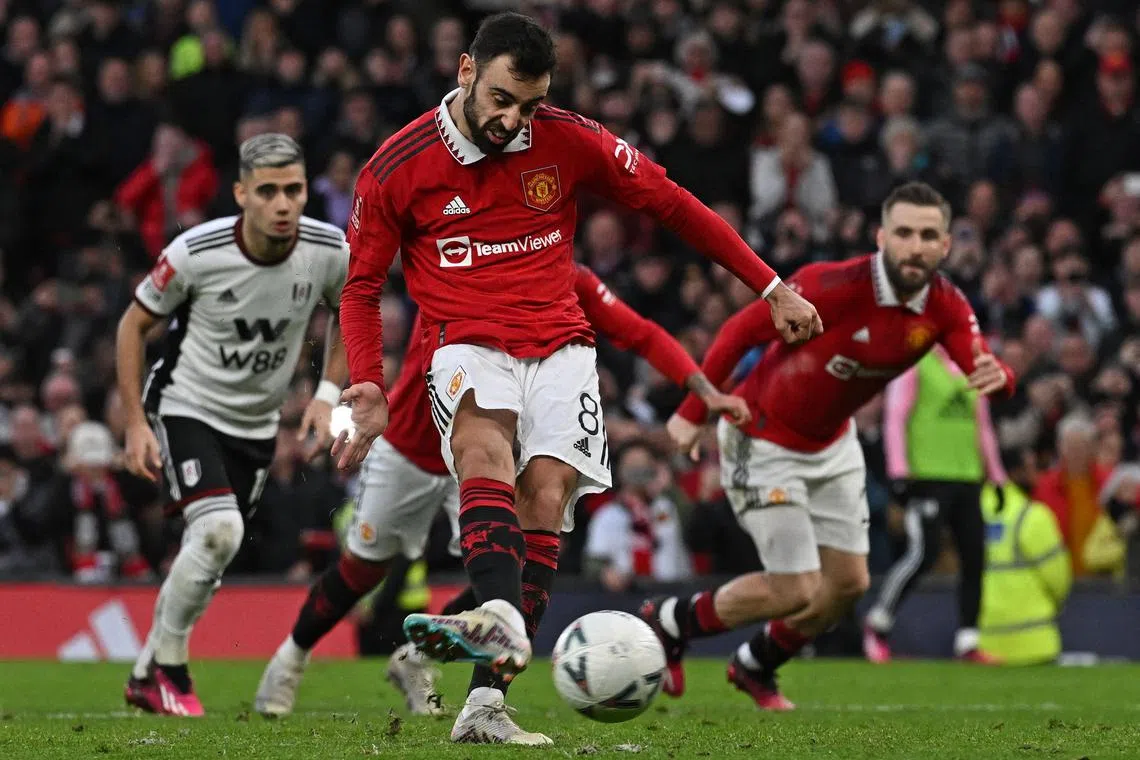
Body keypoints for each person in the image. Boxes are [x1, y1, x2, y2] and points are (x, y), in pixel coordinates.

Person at [333, 12, 820, 745]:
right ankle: (496, 616)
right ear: (466, 70)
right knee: (484, 454)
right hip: (466, 342)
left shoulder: (567, 137)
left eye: (528, 105)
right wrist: (368, 380)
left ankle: (483, 707)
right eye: (501, 98)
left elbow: (673, 203)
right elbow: (361, 287)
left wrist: (771, 285)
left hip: (561, 346)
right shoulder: (398, 165)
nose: (512, 119)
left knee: (547, 500)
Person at [253, 262, 750, 724]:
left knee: (515, 556)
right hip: (407, 447)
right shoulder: (456, 259)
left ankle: (437, 668)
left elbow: (638, 332)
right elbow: (364, 291)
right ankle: (290, 658)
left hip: (486, 458)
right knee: (364, 568)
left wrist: (699, 389)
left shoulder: (565, 278)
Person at [643, 182, 1016, 711]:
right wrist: (692, 411)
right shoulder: (834, 284)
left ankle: (756, 665)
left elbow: (981, 362)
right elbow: (738, 332)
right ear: (882, 236)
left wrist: (1001, 375)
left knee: (847, 585)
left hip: (832, 445)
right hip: (762, 435)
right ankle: (669, 621)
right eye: (904, 232)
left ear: (945, 246)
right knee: (795, 588)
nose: (915, 246)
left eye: (928, 235)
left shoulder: (947, 306)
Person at [116, 133, 349, 717]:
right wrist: (137, 424)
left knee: (214, 548)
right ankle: (169, 667)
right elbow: (131, 326)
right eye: (267, 191)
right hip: (185, 405)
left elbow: (356, 309)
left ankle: (147, 672)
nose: (283, 204)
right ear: (242, 194)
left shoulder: (328, 249)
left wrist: (324, 395)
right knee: (219, 531)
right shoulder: (197, 251)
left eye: (293, 189)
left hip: (256, 424)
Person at [861, 345, 1008, 664]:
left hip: (967, 476)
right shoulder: (916, 361)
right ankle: (878, 623)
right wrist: (899, 472)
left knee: (973, 557)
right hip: (927, 475)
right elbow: (896, 416)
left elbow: (981, 425)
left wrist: (996, 475)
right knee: (923, 553)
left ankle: (968, 639)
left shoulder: (973, 364)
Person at [977, 447, 1071, 665]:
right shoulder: (1033, 516)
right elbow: (1059, 580)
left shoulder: (973, 512)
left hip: (985, 644)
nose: (1037, 475)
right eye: (1031, 468)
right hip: (1034, 642)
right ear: (1015, 472)